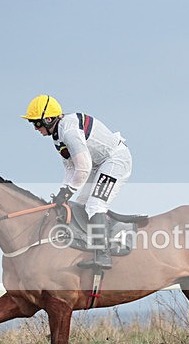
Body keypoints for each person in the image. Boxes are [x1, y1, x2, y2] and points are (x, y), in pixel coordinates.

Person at [22, 94, 132, 269]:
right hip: (97, 165)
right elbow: (71, 168)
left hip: (114, 160)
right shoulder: (57, 135)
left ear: (48, 119)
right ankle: (90, 248)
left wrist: (67, 192)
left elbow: (83, 167)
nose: (35, 128)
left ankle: (103, 255)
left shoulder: (69, 131)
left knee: (95, 205)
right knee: (79, 206)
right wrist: (62, 192)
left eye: (36, 123)